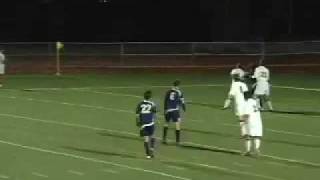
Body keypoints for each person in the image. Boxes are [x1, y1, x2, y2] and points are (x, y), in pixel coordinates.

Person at [224, 74, 249, 153]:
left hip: (239, 104)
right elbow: (247, 95)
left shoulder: (234, 85)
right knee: (246, 118)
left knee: (241, 119)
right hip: (246, 103)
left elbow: (230, 96)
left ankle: (244, 133)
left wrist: (226, 105)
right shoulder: (244, 84)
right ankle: (247, 131)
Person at [162, 80, 186, 145]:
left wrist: (165, 110)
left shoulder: (168, 92)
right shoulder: (179, 92)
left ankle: (164, 139)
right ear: (178, 86)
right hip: (175, 110)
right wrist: (184, 108)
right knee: (177, 124)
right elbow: (181, 101)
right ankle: (177, 141)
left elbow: (165, 101)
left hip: (168, 110)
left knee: (166, 123)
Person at [135, 90, 157, 159]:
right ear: (150, 97)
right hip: (150, 123)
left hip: (143, 124)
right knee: (153, 136)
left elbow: (137, 115)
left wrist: (137, 122)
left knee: (146, 139)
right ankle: (152, 150)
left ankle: (148, 155)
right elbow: (154, 112)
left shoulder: (140, 104)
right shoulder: (152, 104)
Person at [242, 91, 263, 156]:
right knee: (257, 135)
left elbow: (246, 114)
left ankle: (248, 151)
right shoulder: (256, 101)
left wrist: (244, 122)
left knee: (248, 136)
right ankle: (256, 148)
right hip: (258, 121)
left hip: (251, 121)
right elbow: (260, 108)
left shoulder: (247, 103)